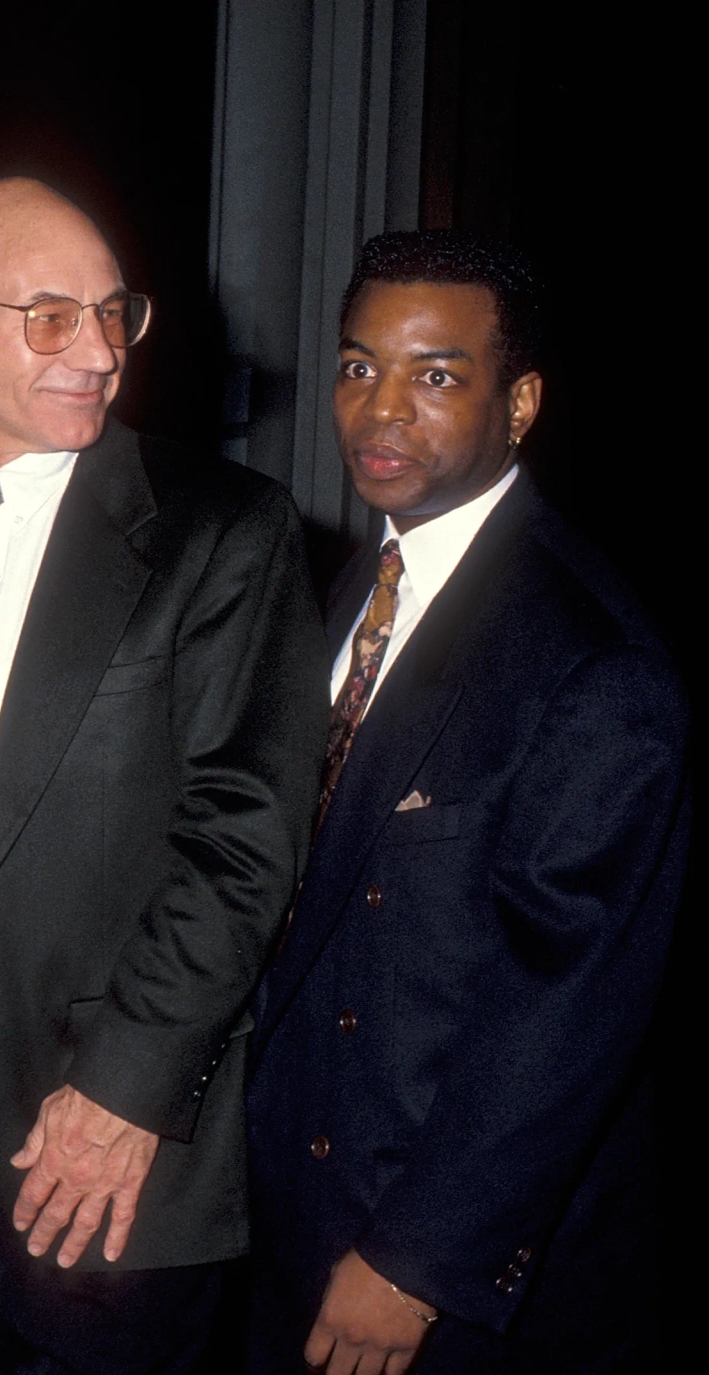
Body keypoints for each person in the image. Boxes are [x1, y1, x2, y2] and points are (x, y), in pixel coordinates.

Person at [0, 178, 327, 1374]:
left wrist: (126, 1090)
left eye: (116, 313)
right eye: (53, 316)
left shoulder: (222, 530)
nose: (100, 351)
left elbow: (245, 837)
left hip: (100, 1137)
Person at [245, 231, 689, 1375]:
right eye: (358, 367)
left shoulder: (590, 661)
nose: (381, 410)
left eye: (435, 375)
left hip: (446, 1287)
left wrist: (415, 1262)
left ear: (521, 401)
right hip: (302, 1217)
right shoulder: (356, 587)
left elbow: (564, 1014)